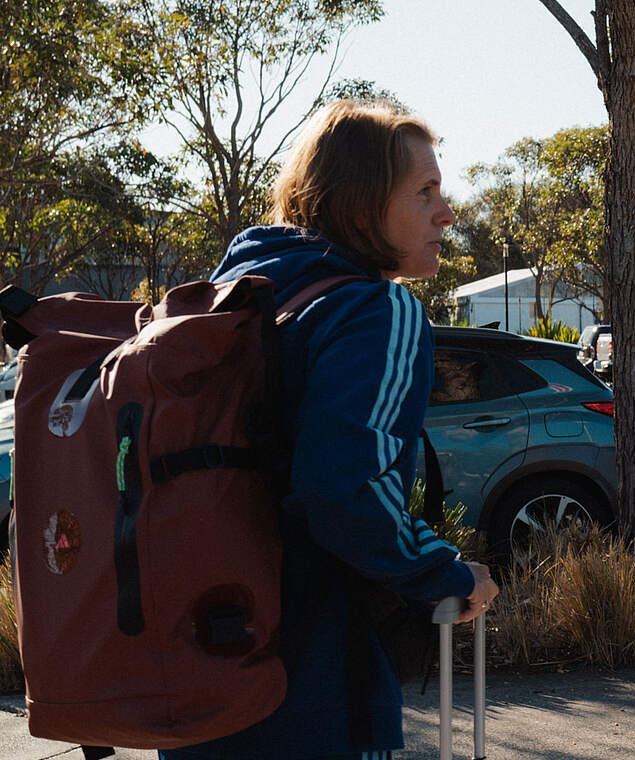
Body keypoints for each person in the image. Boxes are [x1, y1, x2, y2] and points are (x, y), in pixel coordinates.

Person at [160, 100, 499, 760]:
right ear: (360, 204)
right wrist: (448, 574)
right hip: (310, 683)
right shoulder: (378, 311)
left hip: (199, 666)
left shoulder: (239, 294)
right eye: (424, 191)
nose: (446, 213)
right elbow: (345, 488)